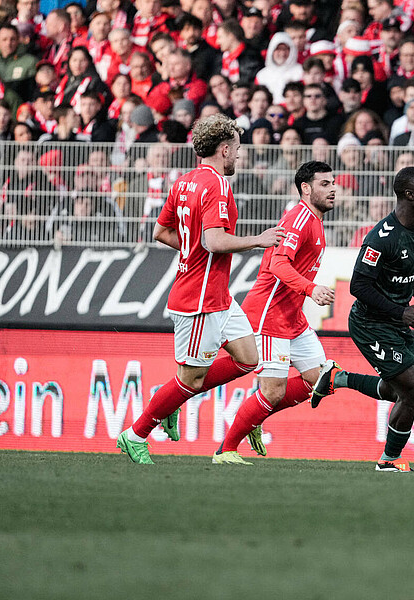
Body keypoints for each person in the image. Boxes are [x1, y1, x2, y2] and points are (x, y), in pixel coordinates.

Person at [116, 114, 285, 465]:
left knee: (248, 359)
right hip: (199, 299)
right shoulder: (218, 185)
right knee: (190, 381)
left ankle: (173, 399)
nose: (238, 155)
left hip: (218, 296)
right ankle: (135, 434)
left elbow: (161, 232)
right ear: (224, 149)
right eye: (236, 149)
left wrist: (192, 250)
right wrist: (259, 240)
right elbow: (215, 241)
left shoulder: (184, 182)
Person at [312, 166, 414, 473]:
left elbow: (410, 273)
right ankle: (388, 460)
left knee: (401, 392)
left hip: (395, 324)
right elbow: (358, 286)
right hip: (370, 325)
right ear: (410, 195)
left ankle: (337, 378)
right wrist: (400, 311)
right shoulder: (381, 238)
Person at [214, 161, 339, 464]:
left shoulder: (314, 219)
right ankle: (226, 450)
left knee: (320, 381)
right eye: (325, 184)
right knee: (272, 391)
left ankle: (254, 416)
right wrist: (311, 288)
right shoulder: (299, 218)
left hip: (292, 317)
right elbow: (278, 264)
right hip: (269, 315)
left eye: (333, 183)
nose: (333, 189)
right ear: (305, 189)